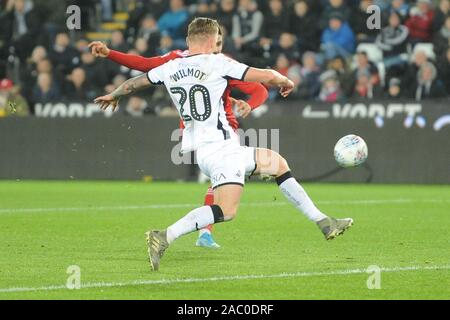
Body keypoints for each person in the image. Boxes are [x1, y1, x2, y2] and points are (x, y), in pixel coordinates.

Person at [94, 17, 353, 271]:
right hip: (220, 149)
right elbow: (264, 77)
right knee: (226, 211)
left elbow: (133, 83)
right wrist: (285, 80)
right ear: (213, 39)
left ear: (189, 40)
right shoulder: (218, 63)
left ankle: (323, 222)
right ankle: (163, 236)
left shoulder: (171, 66)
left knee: (277, 164)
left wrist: (114, 95)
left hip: (209, 149)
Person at [89, 27, 269, 249]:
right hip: (200, 132)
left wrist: (247, 105)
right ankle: (198, 232)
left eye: (220, 45)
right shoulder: (177, 60)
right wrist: (110, 53)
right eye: (216, 43)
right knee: (222, 184)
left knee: (218, 180)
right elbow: (145, 65)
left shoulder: (224, 65)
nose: (217, 49)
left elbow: (259, 90)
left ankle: (203, 233)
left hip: (223, 130)